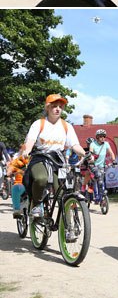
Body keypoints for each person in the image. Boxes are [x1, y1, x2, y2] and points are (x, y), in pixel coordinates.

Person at [20, 92, 85, 223]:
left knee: (62, 192)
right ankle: (36, 205)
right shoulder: (39, 124)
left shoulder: (67, 126)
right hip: (40, 157)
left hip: (58, 160)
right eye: (54, 106)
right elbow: (30, 141)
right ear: (47, 108)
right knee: (41, 178)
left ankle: (68, 227)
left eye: (60, 106)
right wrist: (26, 151)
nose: (57, 109)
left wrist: (84, 154)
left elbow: (75, 145)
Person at [88, 128, 115, 200]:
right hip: (93, 165)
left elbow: (111, 153)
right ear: (97, 137)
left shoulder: (106, 144)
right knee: (98, 176)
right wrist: (91, 158)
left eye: (104, 136)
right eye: (101, 136)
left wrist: (114, 160)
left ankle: (100, 196)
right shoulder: (92, 144)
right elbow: (91, 153)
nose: (103, 138)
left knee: (101, 180)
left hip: (102, 166)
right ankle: (97, 195)